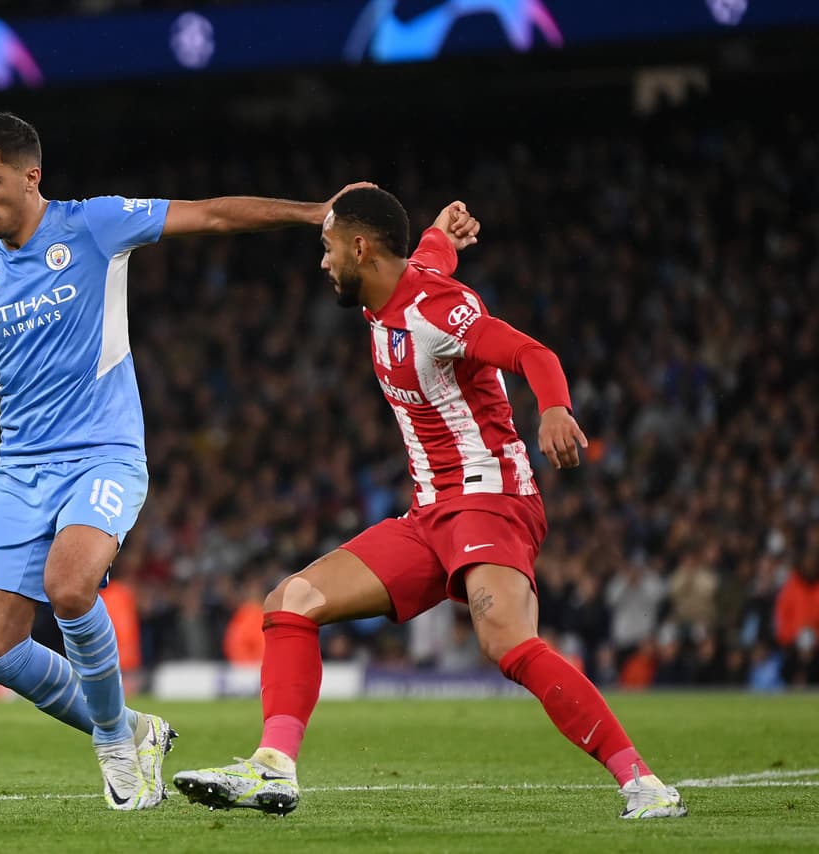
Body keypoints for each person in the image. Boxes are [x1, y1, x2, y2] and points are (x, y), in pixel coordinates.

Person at [0, 112, 366, 810]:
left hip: (103, 454)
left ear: (31, 176)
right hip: (19, 469)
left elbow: (210, 214)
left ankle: (115, 748)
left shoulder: (94, 224)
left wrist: (313, 212)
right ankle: (133, 729)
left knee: (68, 586)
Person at [172, 188, 687, 820]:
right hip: (429, 514)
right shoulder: (392, 282)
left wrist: (554, 408)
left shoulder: (435, 311)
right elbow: (429, 256)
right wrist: (443, 230)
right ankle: (273, 768)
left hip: (490, 500)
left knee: (506, 642)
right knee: (291, 601)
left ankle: (643, 784)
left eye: (328, 248)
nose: (323, 262)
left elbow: (533, 352)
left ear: (361, 248)